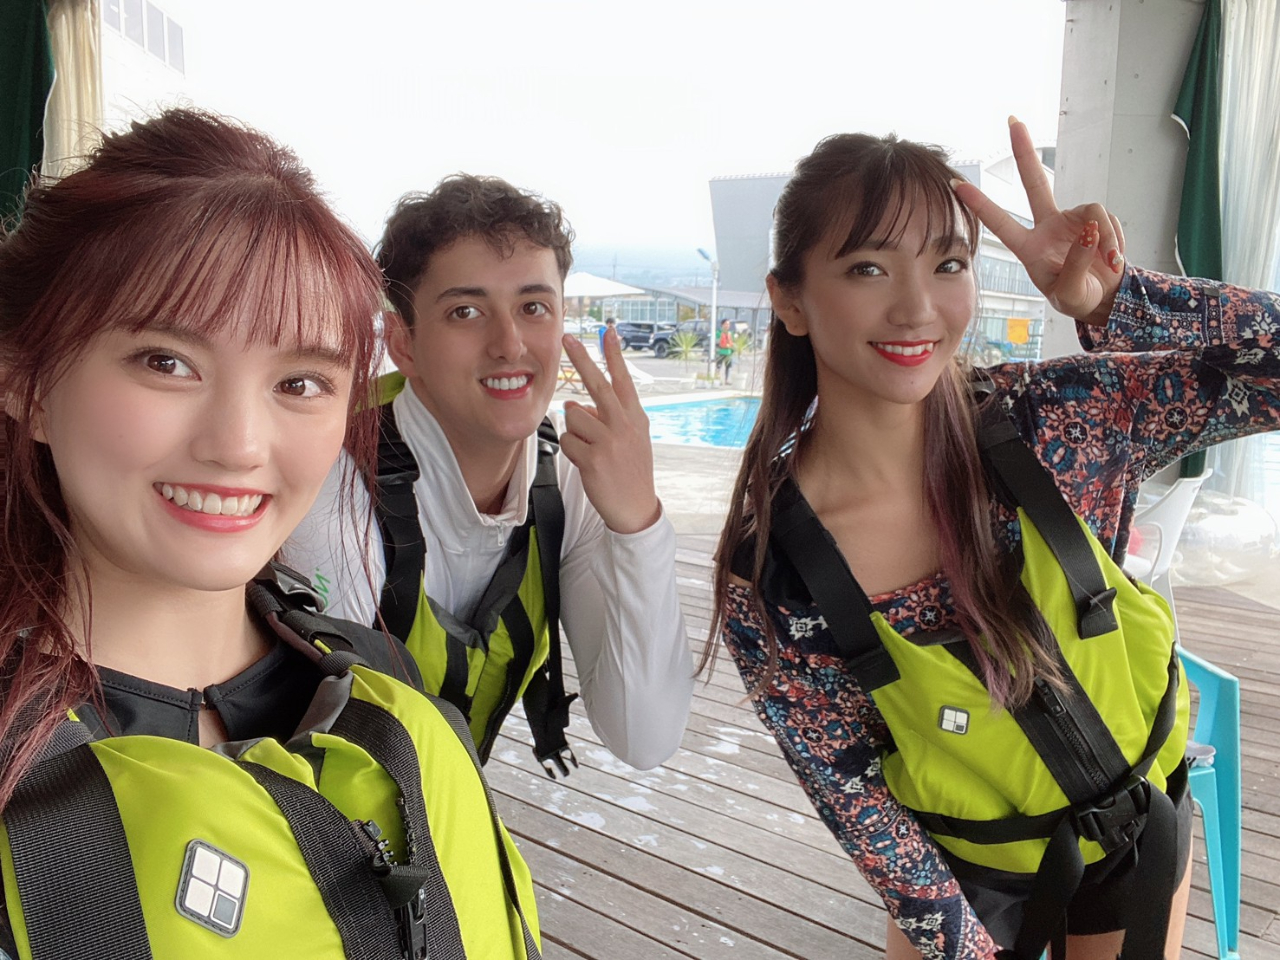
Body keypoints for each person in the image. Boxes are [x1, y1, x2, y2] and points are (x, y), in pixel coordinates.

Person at [706, 118, 1280, 959]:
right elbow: (855, 796)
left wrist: (1119, 302)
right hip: (965, 868)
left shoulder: (1059, 422)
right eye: (867, 267)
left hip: (1135, 827)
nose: (917, 307)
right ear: (789, 299)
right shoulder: (773, 573)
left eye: (948, 264)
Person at [0, 110, 540, 959]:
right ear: (27, 383)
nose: (240, 446)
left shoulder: (392, 700)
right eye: (167, 362)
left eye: (300, 382)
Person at [285, 175, 692, 776]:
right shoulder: (334, 486)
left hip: (441, 809)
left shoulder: (567, 481)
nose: (510, 344)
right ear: (403, 343)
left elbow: (643, 737)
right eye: (466, 311)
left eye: (533, 307)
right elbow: (331, 755)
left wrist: (638, 525)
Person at [715, 318, 734, 384]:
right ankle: (717, 380)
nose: (727, 325)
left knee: (728, 367)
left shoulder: (730, 333)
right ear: (722, 325)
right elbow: (717, 343)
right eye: (726, 324)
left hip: (728, 352)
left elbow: (732, 342)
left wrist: (732, 348)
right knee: (718, 366)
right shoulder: (718, 333)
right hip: (720, 352)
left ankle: (726, 380)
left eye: (728, 324)